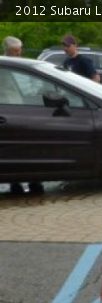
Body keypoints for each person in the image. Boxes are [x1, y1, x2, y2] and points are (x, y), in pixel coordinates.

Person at [2, 36, 44, 194]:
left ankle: (32, 180)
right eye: (15, 52)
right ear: (7, 51)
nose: (18, 54)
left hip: (23, 111)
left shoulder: (20, 66)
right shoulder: (5, 67)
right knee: (15, 148)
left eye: (19, 51)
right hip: (10, 114)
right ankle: (17, 181)